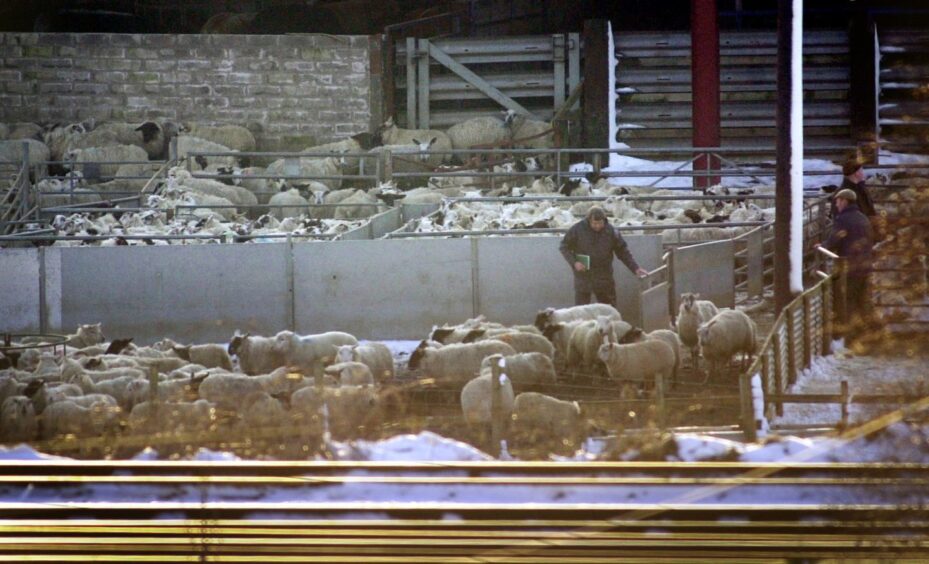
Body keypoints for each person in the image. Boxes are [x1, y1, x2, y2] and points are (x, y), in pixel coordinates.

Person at [817, 188, 874, 344]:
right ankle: (865, 337)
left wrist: (822, 246)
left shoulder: (843, 219)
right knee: (862, 302)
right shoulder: (863, 218)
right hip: (865, 266)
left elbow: (835, 240)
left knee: (848, 302)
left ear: (844, 201)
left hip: (851, 267)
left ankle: (851, 339)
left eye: (837, 200)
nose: (836, 203)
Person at [559, 206, 649, 307]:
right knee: (581, 310)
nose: (597, 226)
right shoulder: (577, 229)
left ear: (604, 220)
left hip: (604, 276)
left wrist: (635, 268)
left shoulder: (611, 231)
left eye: (600, 223)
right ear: (589, 220)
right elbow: (564, 246)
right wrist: (574, 262)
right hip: (584, 276)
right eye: (594, 223)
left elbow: (622, 251)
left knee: (609, 308)